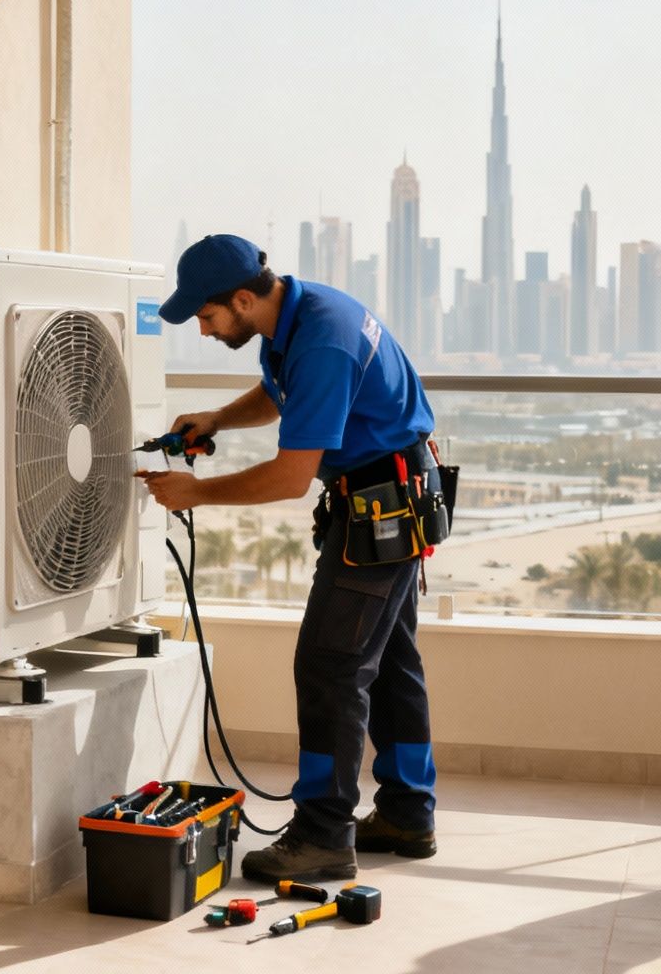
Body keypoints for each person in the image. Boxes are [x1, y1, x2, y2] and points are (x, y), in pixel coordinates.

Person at [139, 233, 440, 883]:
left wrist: (196, 493)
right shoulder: (298, 317)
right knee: (388, 664)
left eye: (208, 315)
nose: (203, 325)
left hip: (381, 506)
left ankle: (324, 833)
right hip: (389, 493)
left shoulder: (324, 338)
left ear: (244, 299)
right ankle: (408, 814)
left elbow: (288, 477)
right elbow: (282, 392)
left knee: (330, 666)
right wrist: (217, 419)